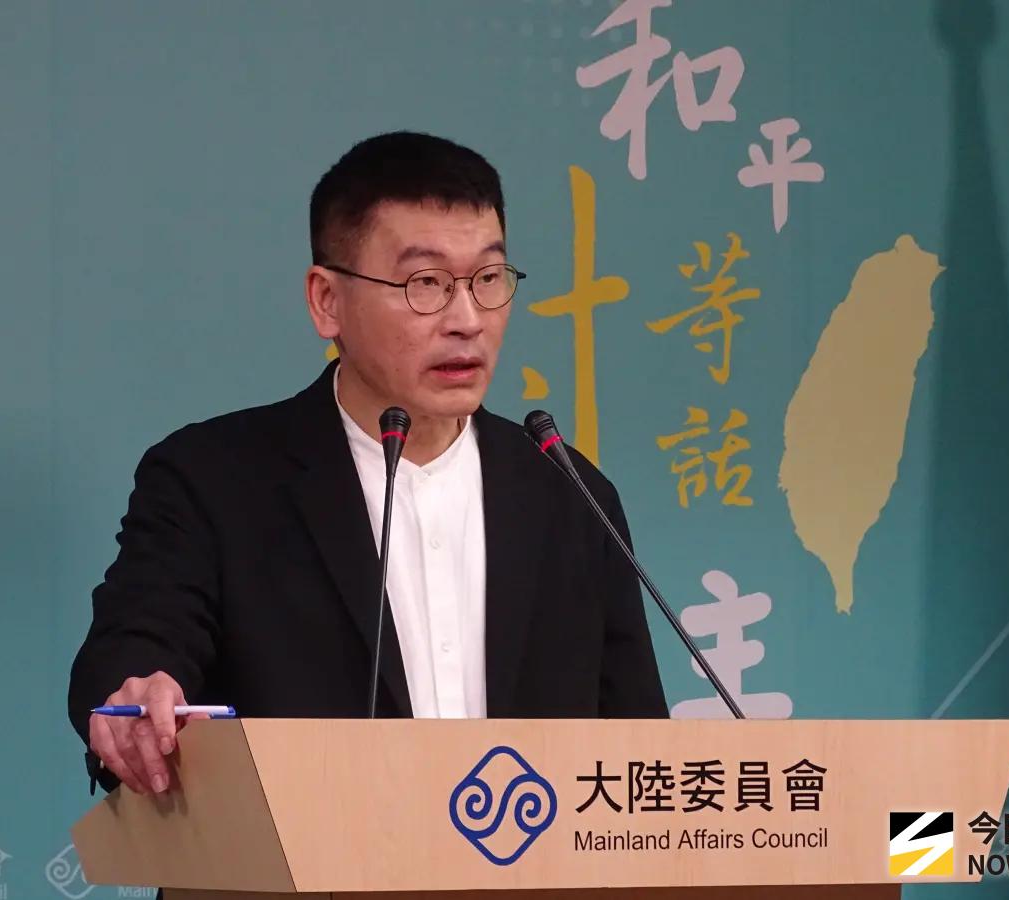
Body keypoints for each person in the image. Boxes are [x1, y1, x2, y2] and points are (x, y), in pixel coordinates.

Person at [67, 131, 667, 796]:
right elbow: (139, 643)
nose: (467, 319)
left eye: (488, 279)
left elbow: (640, 752)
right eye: (425, 283)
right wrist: (138, 691)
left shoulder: (571, 495)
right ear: (327, 301)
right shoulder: (213, 482)